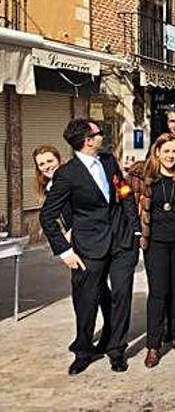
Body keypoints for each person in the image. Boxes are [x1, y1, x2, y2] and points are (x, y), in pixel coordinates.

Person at [39, 118, 140, 374]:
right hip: (88, 247)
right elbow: (47, 216)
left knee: (121, 296)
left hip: (121, 241)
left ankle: (116, 349)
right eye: (98, 133)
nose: (102, 136)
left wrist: (135, 227)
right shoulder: (67, 174)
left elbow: (125, 190)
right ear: (87, 140)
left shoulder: (107, 160)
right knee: (86, 300)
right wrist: (65, 250)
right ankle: (83, 351)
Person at [33, 145, 115, 359]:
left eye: (49, 161)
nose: (46, 167)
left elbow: (83, 211)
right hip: (80, 244)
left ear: (59, 159)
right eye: (41, 164)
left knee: (89, 294)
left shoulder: (70, 179)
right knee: (97, 292)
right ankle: (97, 337)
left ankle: (93, 341)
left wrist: (71, 233)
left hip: (89, 242)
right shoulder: (51, 185)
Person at [127, 133, 175, 367]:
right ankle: (154, 345)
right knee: (158, 293)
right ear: (157, 152)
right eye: (166, 151)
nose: (171, 156)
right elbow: (126, 201)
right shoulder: (143, 176)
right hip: (155, 242)